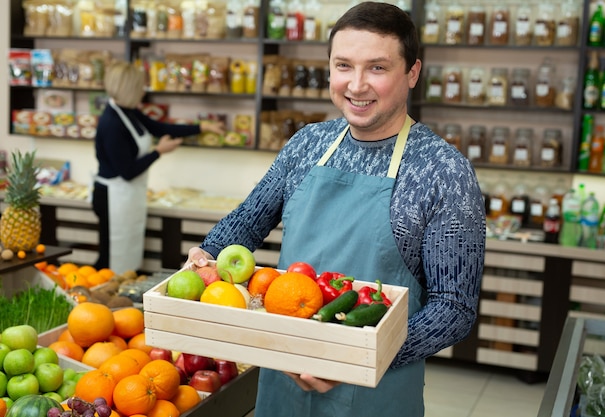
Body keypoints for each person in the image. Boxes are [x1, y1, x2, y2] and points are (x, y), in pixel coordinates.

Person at [185, 2, 485, 416]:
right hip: (283, 379)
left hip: (375, 389)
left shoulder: (442, 171)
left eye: (377, 68)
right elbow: (246, 224)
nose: (356, 85)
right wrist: (208, 255)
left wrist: (356, 357)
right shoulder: (307, 144)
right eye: (344, 65)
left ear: (412, 73)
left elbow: (454, 309)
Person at [92, 61, 225, 273]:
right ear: (130, 89)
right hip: (112, 197)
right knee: (111, 256)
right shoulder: (111, 123)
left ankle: (122, 288)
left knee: (127, 251)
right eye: (140, 86)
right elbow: (127, 172)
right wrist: (158, 151)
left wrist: (202, 127)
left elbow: (160, 127)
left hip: (127, 195)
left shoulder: (129, 112)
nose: (143, 90)